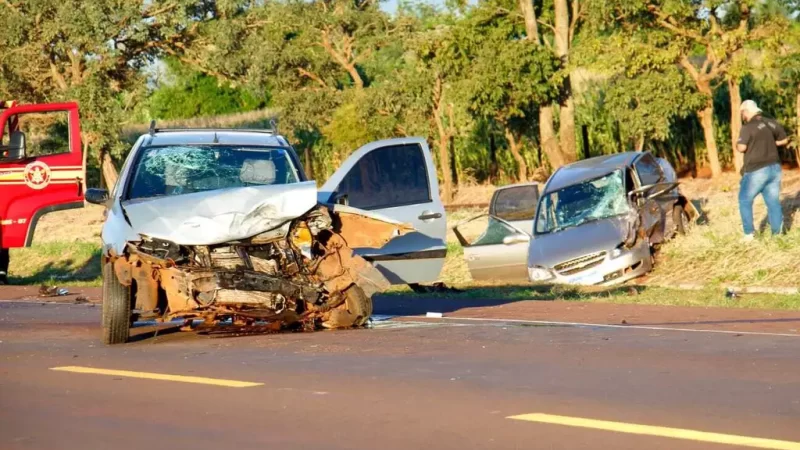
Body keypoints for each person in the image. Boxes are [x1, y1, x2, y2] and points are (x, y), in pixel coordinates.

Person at [736, 100, 790, 241]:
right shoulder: (771, 122)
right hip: (774, 168)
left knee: (744, 199)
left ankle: (749, 234)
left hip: (756, 169)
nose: (742, 116)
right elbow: (784, 140)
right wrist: (772, 143)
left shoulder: (748, 127)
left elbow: (741, 147)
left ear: (746, 112)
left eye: (742, 113)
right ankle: (777, 235)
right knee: (773, 202)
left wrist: (738, 145)